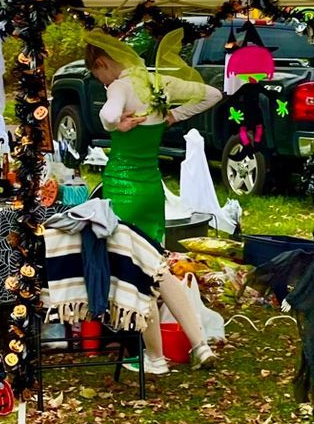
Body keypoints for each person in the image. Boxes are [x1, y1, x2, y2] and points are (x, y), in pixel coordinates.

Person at [82, 30, 223, 372]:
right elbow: (213, 93)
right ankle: (199, 344)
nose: (101, 82)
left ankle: (155, 357)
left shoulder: (119, 86)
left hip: (123, 188)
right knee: (157, 268)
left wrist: (119, 123)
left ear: (102, 63)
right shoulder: (158, 84)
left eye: (98, 75)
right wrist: (174, 116)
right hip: (152, 188)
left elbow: (109, 116)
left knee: (134, 273)